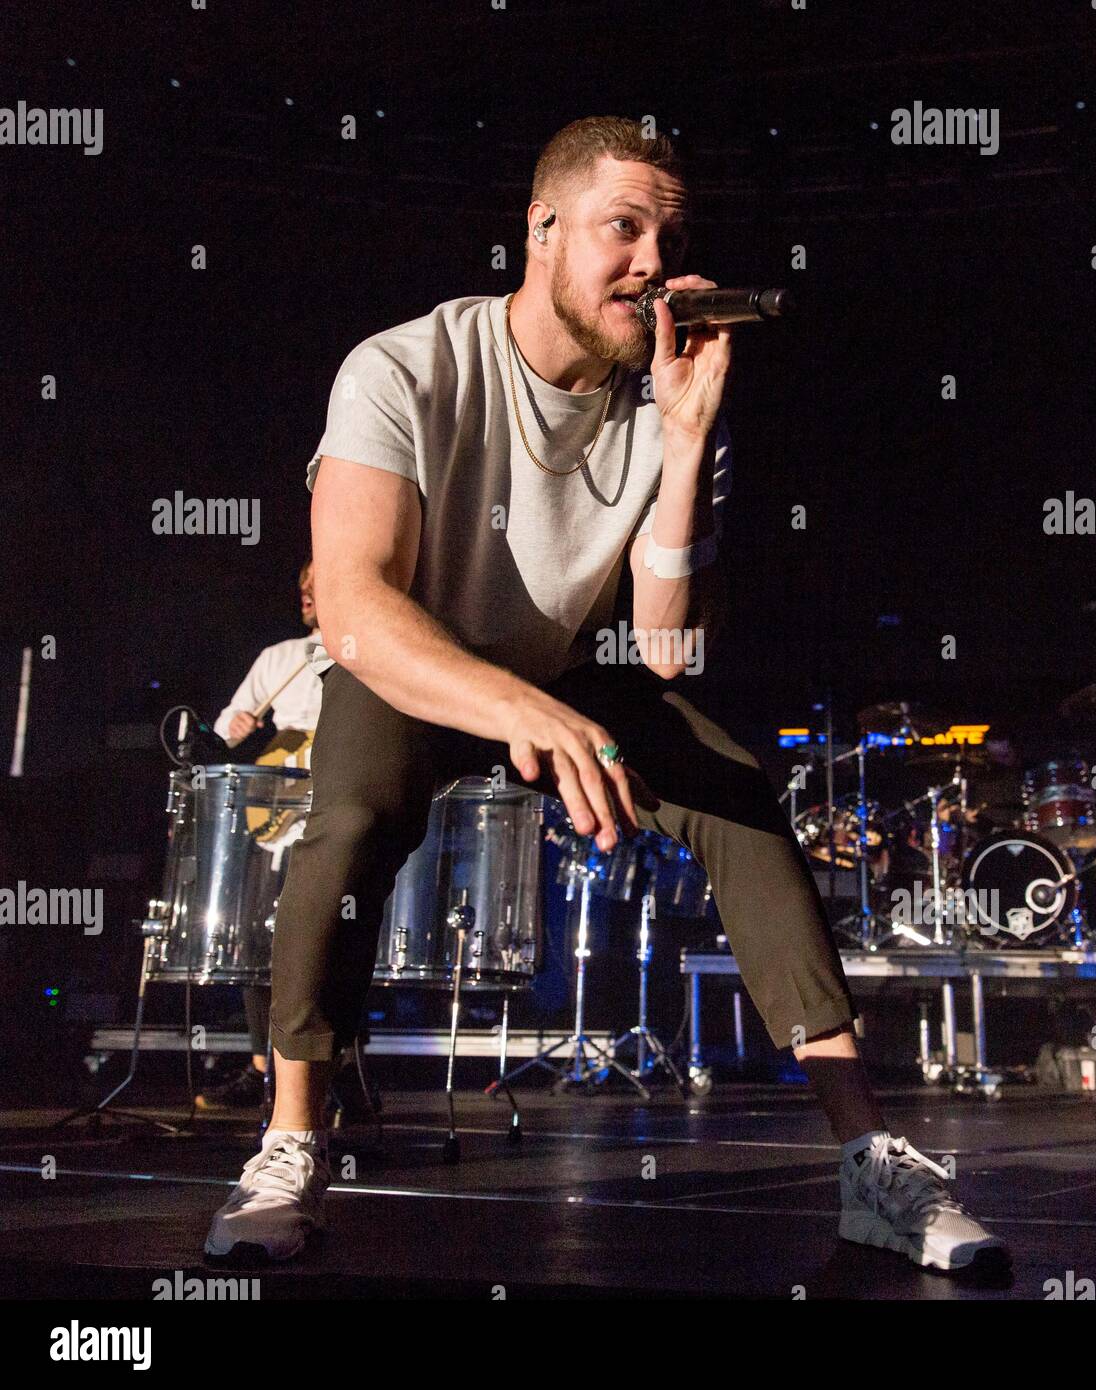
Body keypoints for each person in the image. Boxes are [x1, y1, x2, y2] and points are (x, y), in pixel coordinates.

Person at [204, 116, 1008, 1274]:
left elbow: (670, 653)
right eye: (623, 228)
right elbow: (352, 606)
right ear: (541, 231)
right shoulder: (405, 366)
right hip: (420, 663)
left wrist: (682, 450)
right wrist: (516, 708)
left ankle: (871, 1159)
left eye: (672, 238)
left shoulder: (672, 398)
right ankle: (291, 1142)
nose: (653, 262)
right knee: (351, 813)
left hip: (580, 676)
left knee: (739, 797)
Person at [196, 563, 322, 1111]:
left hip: (336, 793)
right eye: (303, 586)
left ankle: (337, 1075)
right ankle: (259, 1069)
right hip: (278, 798)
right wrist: (237, 728)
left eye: (319, 583)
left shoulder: (361, 650)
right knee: (261, 940)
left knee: (329, 940)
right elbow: (226, 726)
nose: (307, 593)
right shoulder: (280, 658)